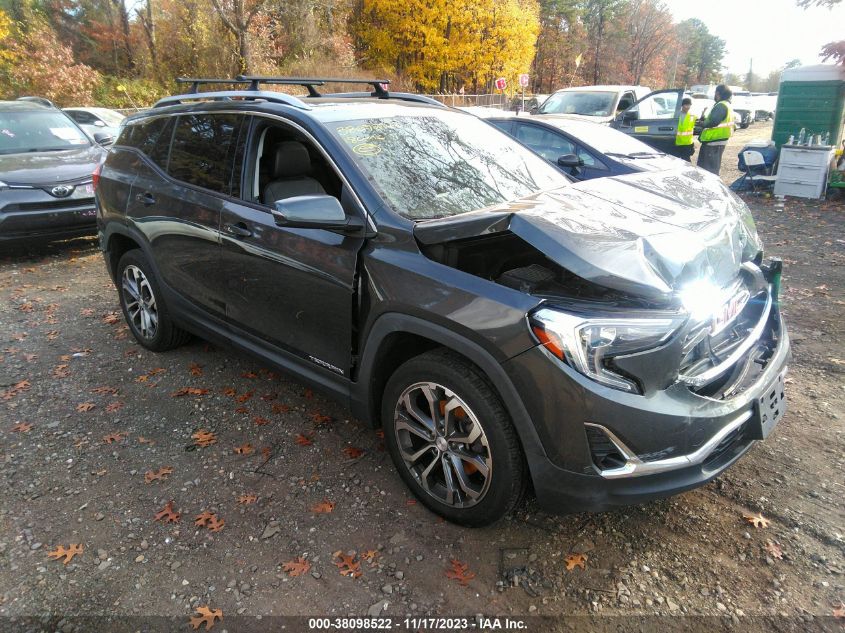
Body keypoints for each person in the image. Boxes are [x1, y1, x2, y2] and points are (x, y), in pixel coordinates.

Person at [697, 84, 733, 176]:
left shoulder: (721, 105)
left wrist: (701, 124)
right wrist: (704, 119)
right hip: (719, 142)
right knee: (712, 168)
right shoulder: (727, 105)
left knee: (707, 170)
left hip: (713, 143)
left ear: (718, 93)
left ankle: (707, 189)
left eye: (715, 93)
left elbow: (713, 122)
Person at [670, 97, 696, 161]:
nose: (688, 107)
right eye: (686, 105)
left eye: (689, 105)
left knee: (687, 162)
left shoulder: (692, 116)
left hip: (687, 144)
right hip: (677, 143)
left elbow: (700, 122)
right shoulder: (675, 115)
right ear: (682, 105)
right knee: (675, 161)